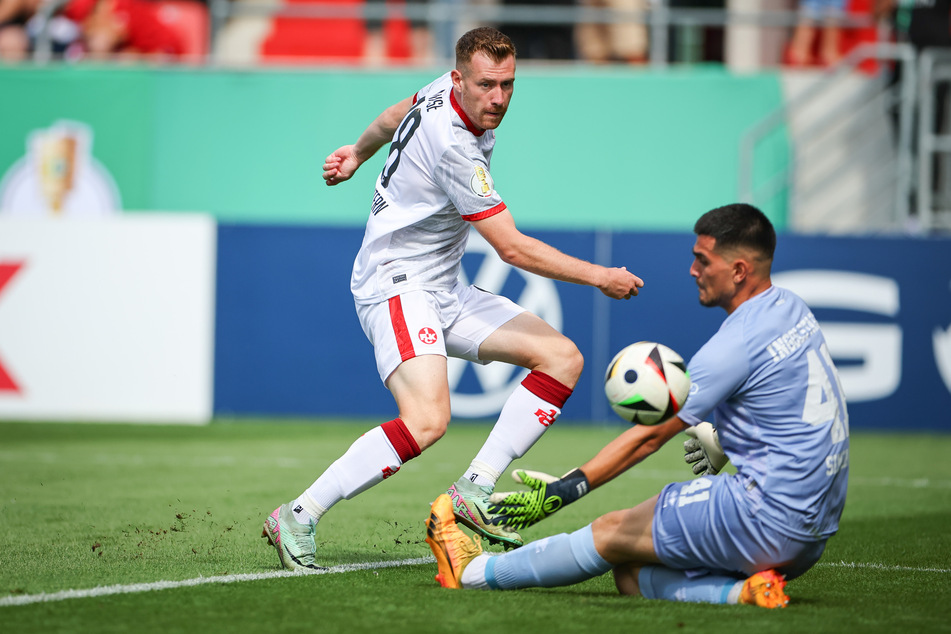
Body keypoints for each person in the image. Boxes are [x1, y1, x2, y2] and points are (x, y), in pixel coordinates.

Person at [261, 26, 644, 571]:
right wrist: (601, 276)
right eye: (488, 85)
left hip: (443, 286)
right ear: (462, 78)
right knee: (427, 420)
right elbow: (511, 248)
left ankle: (475, 488)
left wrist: (357, 153)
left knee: (562, 358)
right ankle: (298, 514)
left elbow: (395, 113)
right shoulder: (456, 148)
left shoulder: (447, 87)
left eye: (509, 85)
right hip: (394, 282)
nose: (499, 98)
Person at [425, 203, 850, 608]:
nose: (693, 270)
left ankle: (473, 573)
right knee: (630, 574)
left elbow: (648, 438)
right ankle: (742, 594)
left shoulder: (735, 345)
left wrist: (562, 491)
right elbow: (796, 401)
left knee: (611, 532)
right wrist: (724, 438)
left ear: (739, 270)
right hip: (812, 534)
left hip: (764, 517)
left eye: (703, 260)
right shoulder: (793, 310)